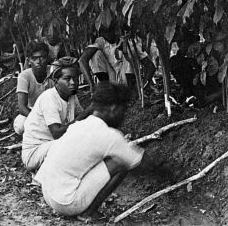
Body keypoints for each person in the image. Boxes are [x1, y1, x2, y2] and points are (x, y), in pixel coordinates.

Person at [34, 81, 143, 219]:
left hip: (49, 194)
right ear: (114, 108)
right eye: (123, 110)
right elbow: (137, 162)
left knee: (102, 157)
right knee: (120, 163)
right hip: (67, 202)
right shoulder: (110, 135)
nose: (123, 116)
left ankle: (81, 206)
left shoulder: (79, 125)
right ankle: (88, 213)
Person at [21, 57, 83, 171]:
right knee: (70, 147)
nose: (73, 83)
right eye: (67, 79)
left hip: (52, 146)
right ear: (55, 81)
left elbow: (84, 119)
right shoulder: (49, 97)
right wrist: (87, 114)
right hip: (35, 152)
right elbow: (57, 133)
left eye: (75, 78)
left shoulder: (71, 96)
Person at [14, 41, 55, 135]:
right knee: (20, 126)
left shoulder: (54, 72)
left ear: (47, 57)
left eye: (42, 57)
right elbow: (22, 107)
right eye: (34, 58)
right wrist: (39, 120)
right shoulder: (24, 76)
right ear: (28, 60)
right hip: (33, 110)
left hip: (52, 109)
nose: (38, 62)